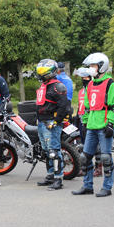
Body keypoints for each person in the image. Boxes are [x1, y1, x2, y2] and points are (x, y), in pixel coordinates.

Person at [71, 52, 114, 197]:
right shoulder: (90, 84)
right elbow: (86, 106)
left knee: (105, 158)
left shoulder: (111, 84)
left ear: (101, 67)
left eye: (93, 66)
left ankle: (107, 187)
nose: (91, 68)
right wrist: (84, 123)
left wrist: (111, 123)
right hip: (91, 125)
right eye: (90, 66)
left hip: (104, 126)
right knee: (85, 157)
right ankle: (87, 186)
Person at [35, 59, 70, 191]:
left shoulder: (57, 86)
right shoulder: (44, 85)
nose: (40, 74)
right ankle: (50, 175)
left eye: (43, 72)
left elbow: (64, 107)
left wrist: (56, 122)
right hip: (42, 123)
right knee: (46, 151)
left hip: (51, 123)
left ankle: (58, 178)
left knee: (54, 152)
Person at [75, 67, 102, 177]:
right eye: (82, 78)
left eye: (86, 77)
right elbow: (80, 106)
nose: (84, 79)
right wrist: (76, 118)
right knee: (84, 146)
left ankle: (99, 168)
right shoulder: (81, 91)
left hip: (91, 120)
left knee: (95, 146)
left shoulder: (93, 90)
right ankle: (85, 168)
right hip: (82, 120)